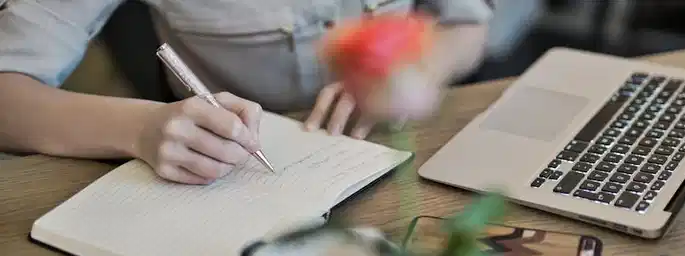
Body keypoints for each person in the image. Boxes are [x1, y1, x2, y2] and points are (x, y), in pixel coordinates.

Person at [0, 0, 494, 185]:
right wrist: (142, 127)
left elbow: (467, 25)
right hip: (224, 174)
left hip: (402, 154)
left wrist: (418, 70)